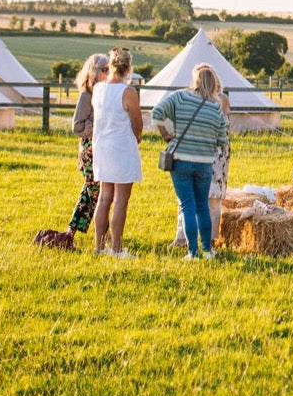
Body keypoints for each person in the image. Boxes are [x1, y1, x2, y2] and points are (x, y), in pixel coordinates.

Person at [152, 63, 230, 260]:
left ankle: (192, 252)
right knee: (202, 206)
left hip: (181, 161)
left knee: (187, 206)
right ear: (213, 83)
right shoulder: (215, 107)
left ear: (195, 80)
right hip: (204, 163)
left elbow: (157, 112)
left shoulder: (180, 97)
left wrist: (165, 134)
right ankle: (207, 250)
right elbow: (222, 139)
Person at [172, 67, 233, 250]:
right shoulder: (193, 98)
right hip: (201, 150)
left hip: (214, 153)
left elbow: (223, 130)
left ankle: (209, 240)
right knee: (190, 199)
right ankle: (183, 237)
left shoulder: (220, 99)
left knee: (210, 200)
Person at [91, 47, 142, 258]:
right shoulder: (127, 92)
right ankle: (116, 248)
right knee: (121, 199)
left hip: (102, 146)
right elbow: (137, 124)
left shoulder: (98, 88)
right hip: (121, 147)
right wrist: (137, 137)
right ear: (128, 68)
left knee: (104, 197)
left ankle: (99, 246)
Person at [65, 53, 109, 238]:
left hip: (100, 148)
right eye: (104, 70)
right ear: (94, 72)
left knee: (92, 193)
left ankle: (72, 232)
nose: (108, 74)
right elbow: (77, 126)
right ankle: (107, 235)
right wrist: (94, 124)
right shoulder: (86, 95)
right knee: (96, 193)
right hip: (90, 150)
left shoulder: (103, 93)